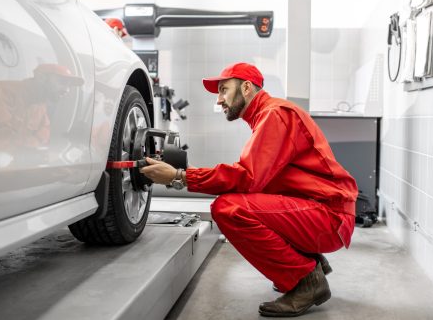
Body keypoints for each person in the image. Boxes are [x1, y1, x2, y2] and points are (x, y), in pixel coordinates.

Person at [140, 62, 358, 317]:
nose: (219, 100)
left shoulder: (274, 114)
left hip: (329, 217)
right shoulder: (268, 115)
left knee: (228, 208)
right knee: (244, 200)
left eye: (224, 90)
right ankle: (306, 263)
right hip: (320, 211)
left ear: (246, 87)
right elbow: (255, 181)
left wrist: (180, 176)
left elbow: (246, 176)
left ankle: (307, 280)